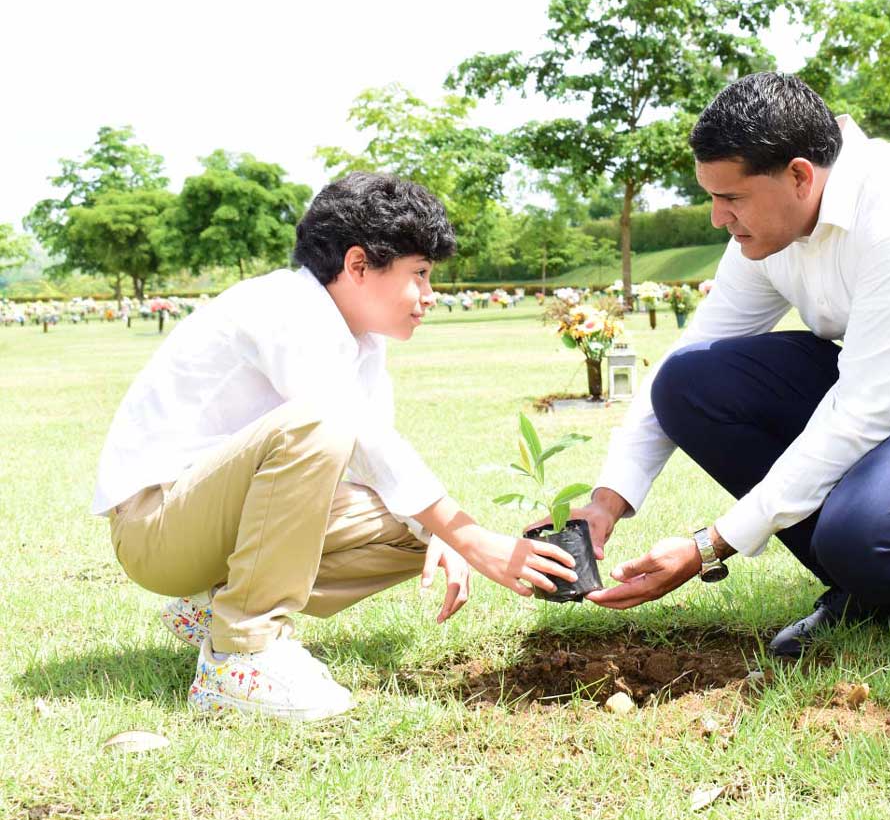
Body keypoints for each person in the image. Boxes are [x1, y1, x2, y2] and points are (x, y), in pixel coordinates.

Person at [570, 73, 890, 656]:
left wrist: (709, 545)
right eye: (712, 197)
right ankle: (878, 593)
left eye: (732, 198)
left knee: (863, 535)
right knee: (690, 382)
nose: (718, 218)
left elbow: (859, 414)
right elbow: (692, 351)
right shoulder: (767, 232)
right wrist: (607, 497)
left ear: (798, 174)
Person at [93, 172, 577, 721]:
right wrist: (472, 537)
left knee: (417, 531)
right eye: (418, 274)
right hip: (157, 526)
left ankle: (211, 608)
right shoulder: (286, 309)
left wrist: (445, 534)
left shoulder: (359, 339)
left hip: (210, 519)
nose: (428, 296)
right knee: (328, 425)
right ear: (357, 265)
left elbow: (379, 467)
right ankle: (239, 656)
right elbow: (352, 435)